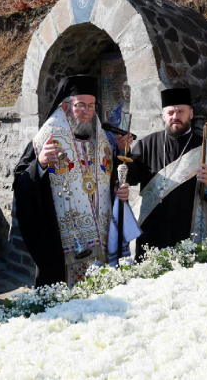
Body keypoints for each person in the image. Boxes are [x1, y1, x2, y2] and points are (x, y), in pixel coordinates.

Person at [13, 75, 132, 287]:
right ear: (66, 107)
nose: (86, 112)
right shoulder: (46, 138)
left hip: (102, 237)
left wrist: (118, 188)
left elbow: (110, 178)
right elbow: (20, 180)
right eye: (80, 106)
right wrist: (39, 164)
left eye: (91, 106)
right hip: (63, 242)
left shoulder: (103, 139)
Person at [121, 87, 207, 257]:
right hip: (151, 235)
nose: (175, 117)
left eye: (181, 112)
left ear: (191, 114)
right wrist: (123, 153)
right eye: (170, 112)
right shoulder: (147, 144)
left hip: (187, 235)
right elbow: (130, 177)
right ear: (163, 116)